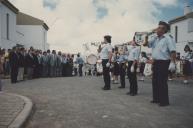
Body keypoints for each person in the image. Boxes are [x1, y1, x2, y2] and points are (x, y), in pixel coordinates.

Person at [143, 21, 176, 107]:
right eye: (158, 27)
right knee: (155, 81)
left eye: (160, 28)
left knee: (162, 82)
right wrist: (146, 37)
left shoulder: (168, 38)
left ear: (164, 30)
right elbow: (146, 44)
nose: (158, 29)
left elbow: (173, 51)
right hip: (156, 62)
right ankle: (156, 98)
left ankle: (164, 101)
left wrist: (172, 62)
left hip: (164, 62)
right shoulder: (155, 38)